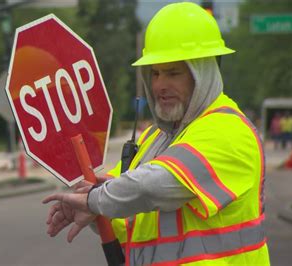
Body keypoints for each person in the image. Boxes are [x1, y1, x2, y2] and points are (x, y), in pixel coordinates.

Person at [42, 2, 270, 265]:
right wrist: (92, 208)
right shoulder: (154, 138)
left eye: (173, 73)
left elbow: (152, 186)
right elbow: (124, 210)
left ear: (204, 73)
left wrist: (94, 199)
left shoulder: (229, 130)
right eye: (156, 73)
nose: (160, 84)